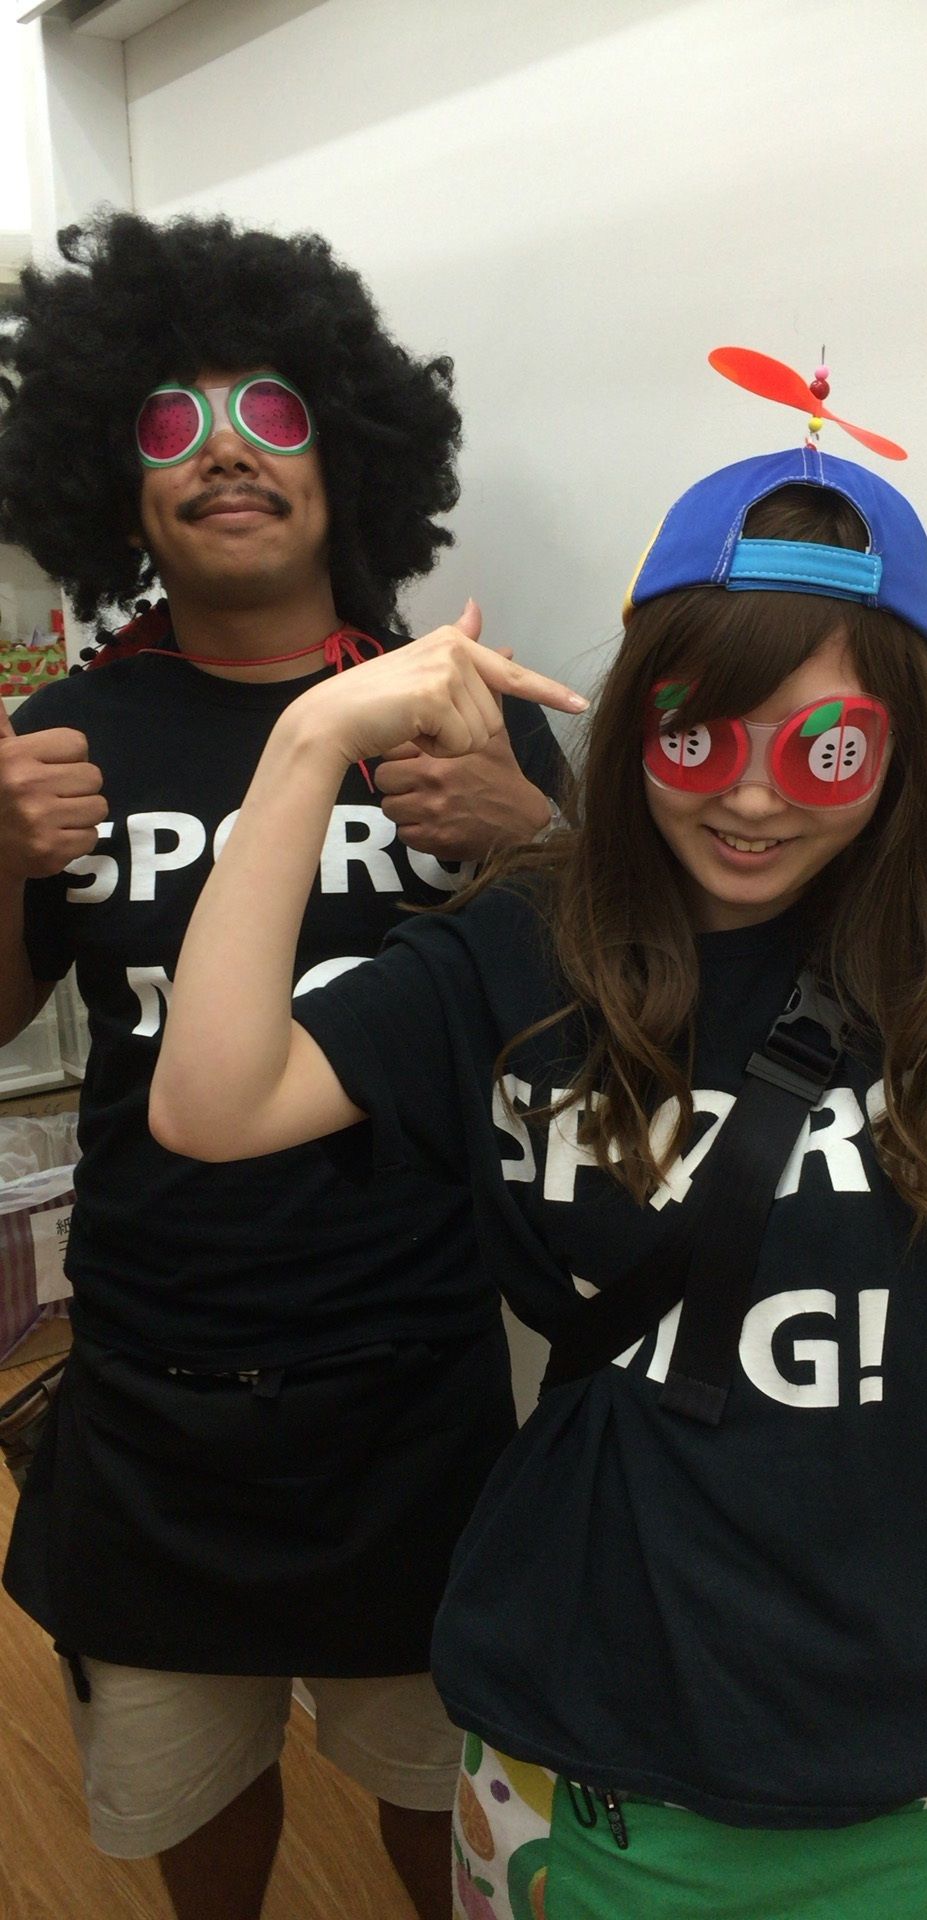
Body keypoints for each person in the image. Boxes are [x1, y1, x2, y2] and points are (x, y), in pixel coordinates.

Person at [150, 435, 927, 1920]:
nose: (755, 802)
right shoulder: (525, 945)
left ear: (901, 749)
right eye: (699, 738)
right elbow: (212, 1104)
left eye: (826, 749)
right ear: (638, 715)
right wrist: (306, 742)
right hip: (569, 1725)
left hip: (887, 1745)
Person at [0, 209, 567, 1920]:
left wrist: (537, 836)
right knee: (197, 1797)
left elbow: (611, 1027)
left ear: (350, 460)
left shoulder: (460, 713)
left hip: (416, 1364)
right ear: (117, 480)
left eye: (272, 414)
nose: (225, 451)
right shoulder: (63, 736)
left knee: (438, 1801)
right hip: (155, 1371)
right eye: (171, 421)